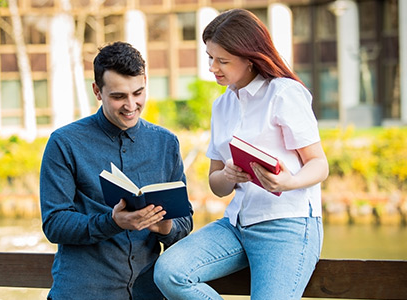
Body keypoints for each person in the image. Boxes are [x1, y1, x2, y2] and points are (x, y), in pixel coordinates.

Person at [154, 8, 329, 300]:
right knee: (169, 272)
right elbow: (216, 184)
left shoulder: (283, 93)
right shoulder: (222, 106)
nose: (212, 67)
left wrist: (288, 182)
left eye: (222, 60)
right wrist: (227, 175)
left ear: (249, 59)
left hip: (288, 224)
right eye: (210, 57)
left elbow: (319, 165)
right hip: (236, 225)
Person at [40, 41, 193, 300]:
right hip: (83, 293)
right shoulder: (64, 143)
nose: (131, 105)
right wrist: (112, 222)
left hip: (148, 292)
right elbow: (54, 224)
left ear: (145, 81)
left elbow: (185, 220)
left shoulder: (166, 143)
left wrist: (165, 227)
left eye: (138, 93)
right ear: (97, 92)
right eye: (118, 96)